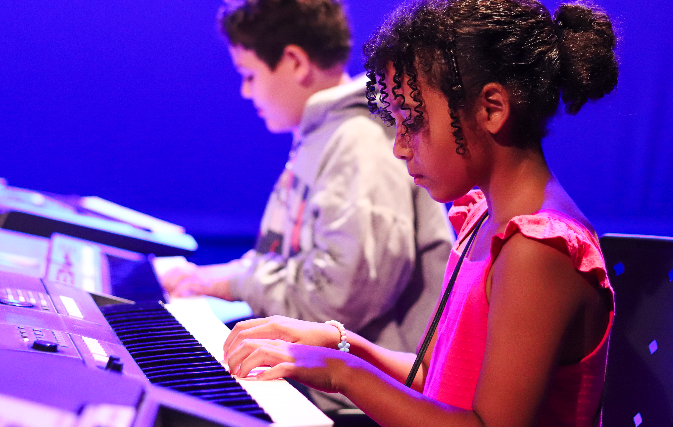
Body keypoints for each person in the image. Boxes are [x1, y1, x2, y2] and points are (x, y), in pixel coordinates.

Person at [221, 0, 618, 425]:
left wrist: (342, 372)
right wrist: (339, 343)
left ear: (491, 109)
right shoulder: (484, 218)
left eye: (412, 121)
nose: (399, 147)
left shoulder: (538, 249)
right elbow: (432, 375)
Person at [162, 0, 453, 411]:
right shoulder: (325, 136)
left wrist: (235, 283)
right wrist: (220, 277)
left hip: (355, 402)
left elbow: (341, 299)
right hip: (320, 383)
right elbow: (284, 257)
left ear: (296, 62)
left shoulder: (359, 142)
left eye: (249, 75)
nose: (245, 91)